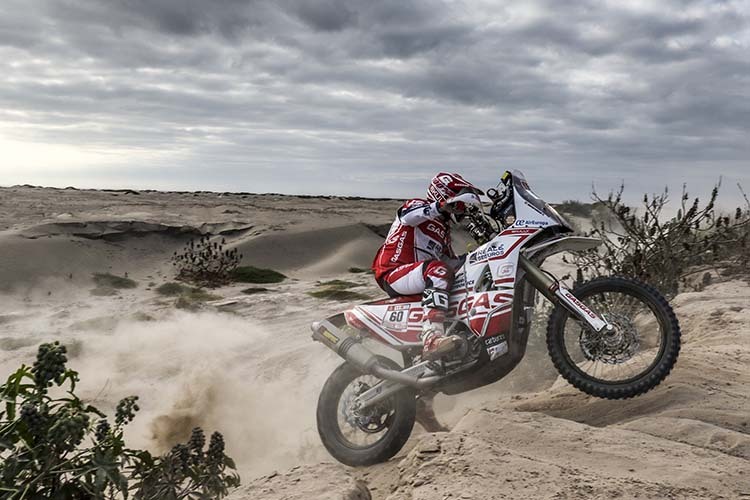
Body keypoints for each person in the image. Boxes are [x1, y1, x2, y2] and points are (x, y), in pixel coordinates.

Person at [372, 172, 483, 361]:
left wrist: (477, 258)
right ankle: (432, 338)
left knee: (457, 275)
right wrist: (440, 207)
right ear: (444, 194)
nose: (463, 208)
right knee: (439, 271)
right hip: (393, 271)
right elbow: (409, 217)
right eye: (460, 200)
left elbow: (451, 262)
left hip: (420, 276)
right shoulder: (415, 206)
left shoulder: (443, 230)